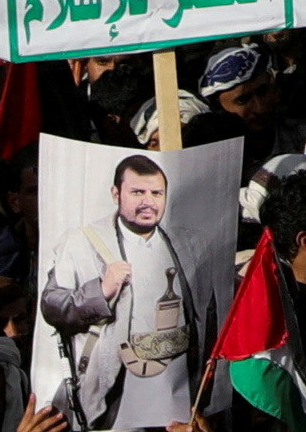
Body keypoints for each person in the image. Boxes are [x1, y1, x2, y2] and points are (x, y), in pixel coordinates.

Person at [38, 152, 197, 431]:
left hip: (175, 389)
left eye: (156, 193)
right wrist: (100, 291)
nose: (148, 201)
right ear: (116, 193)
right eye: (137, 192)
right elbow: (53, 304)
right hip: (115, 391)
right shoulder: (81, 241)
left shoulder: (185, 242)